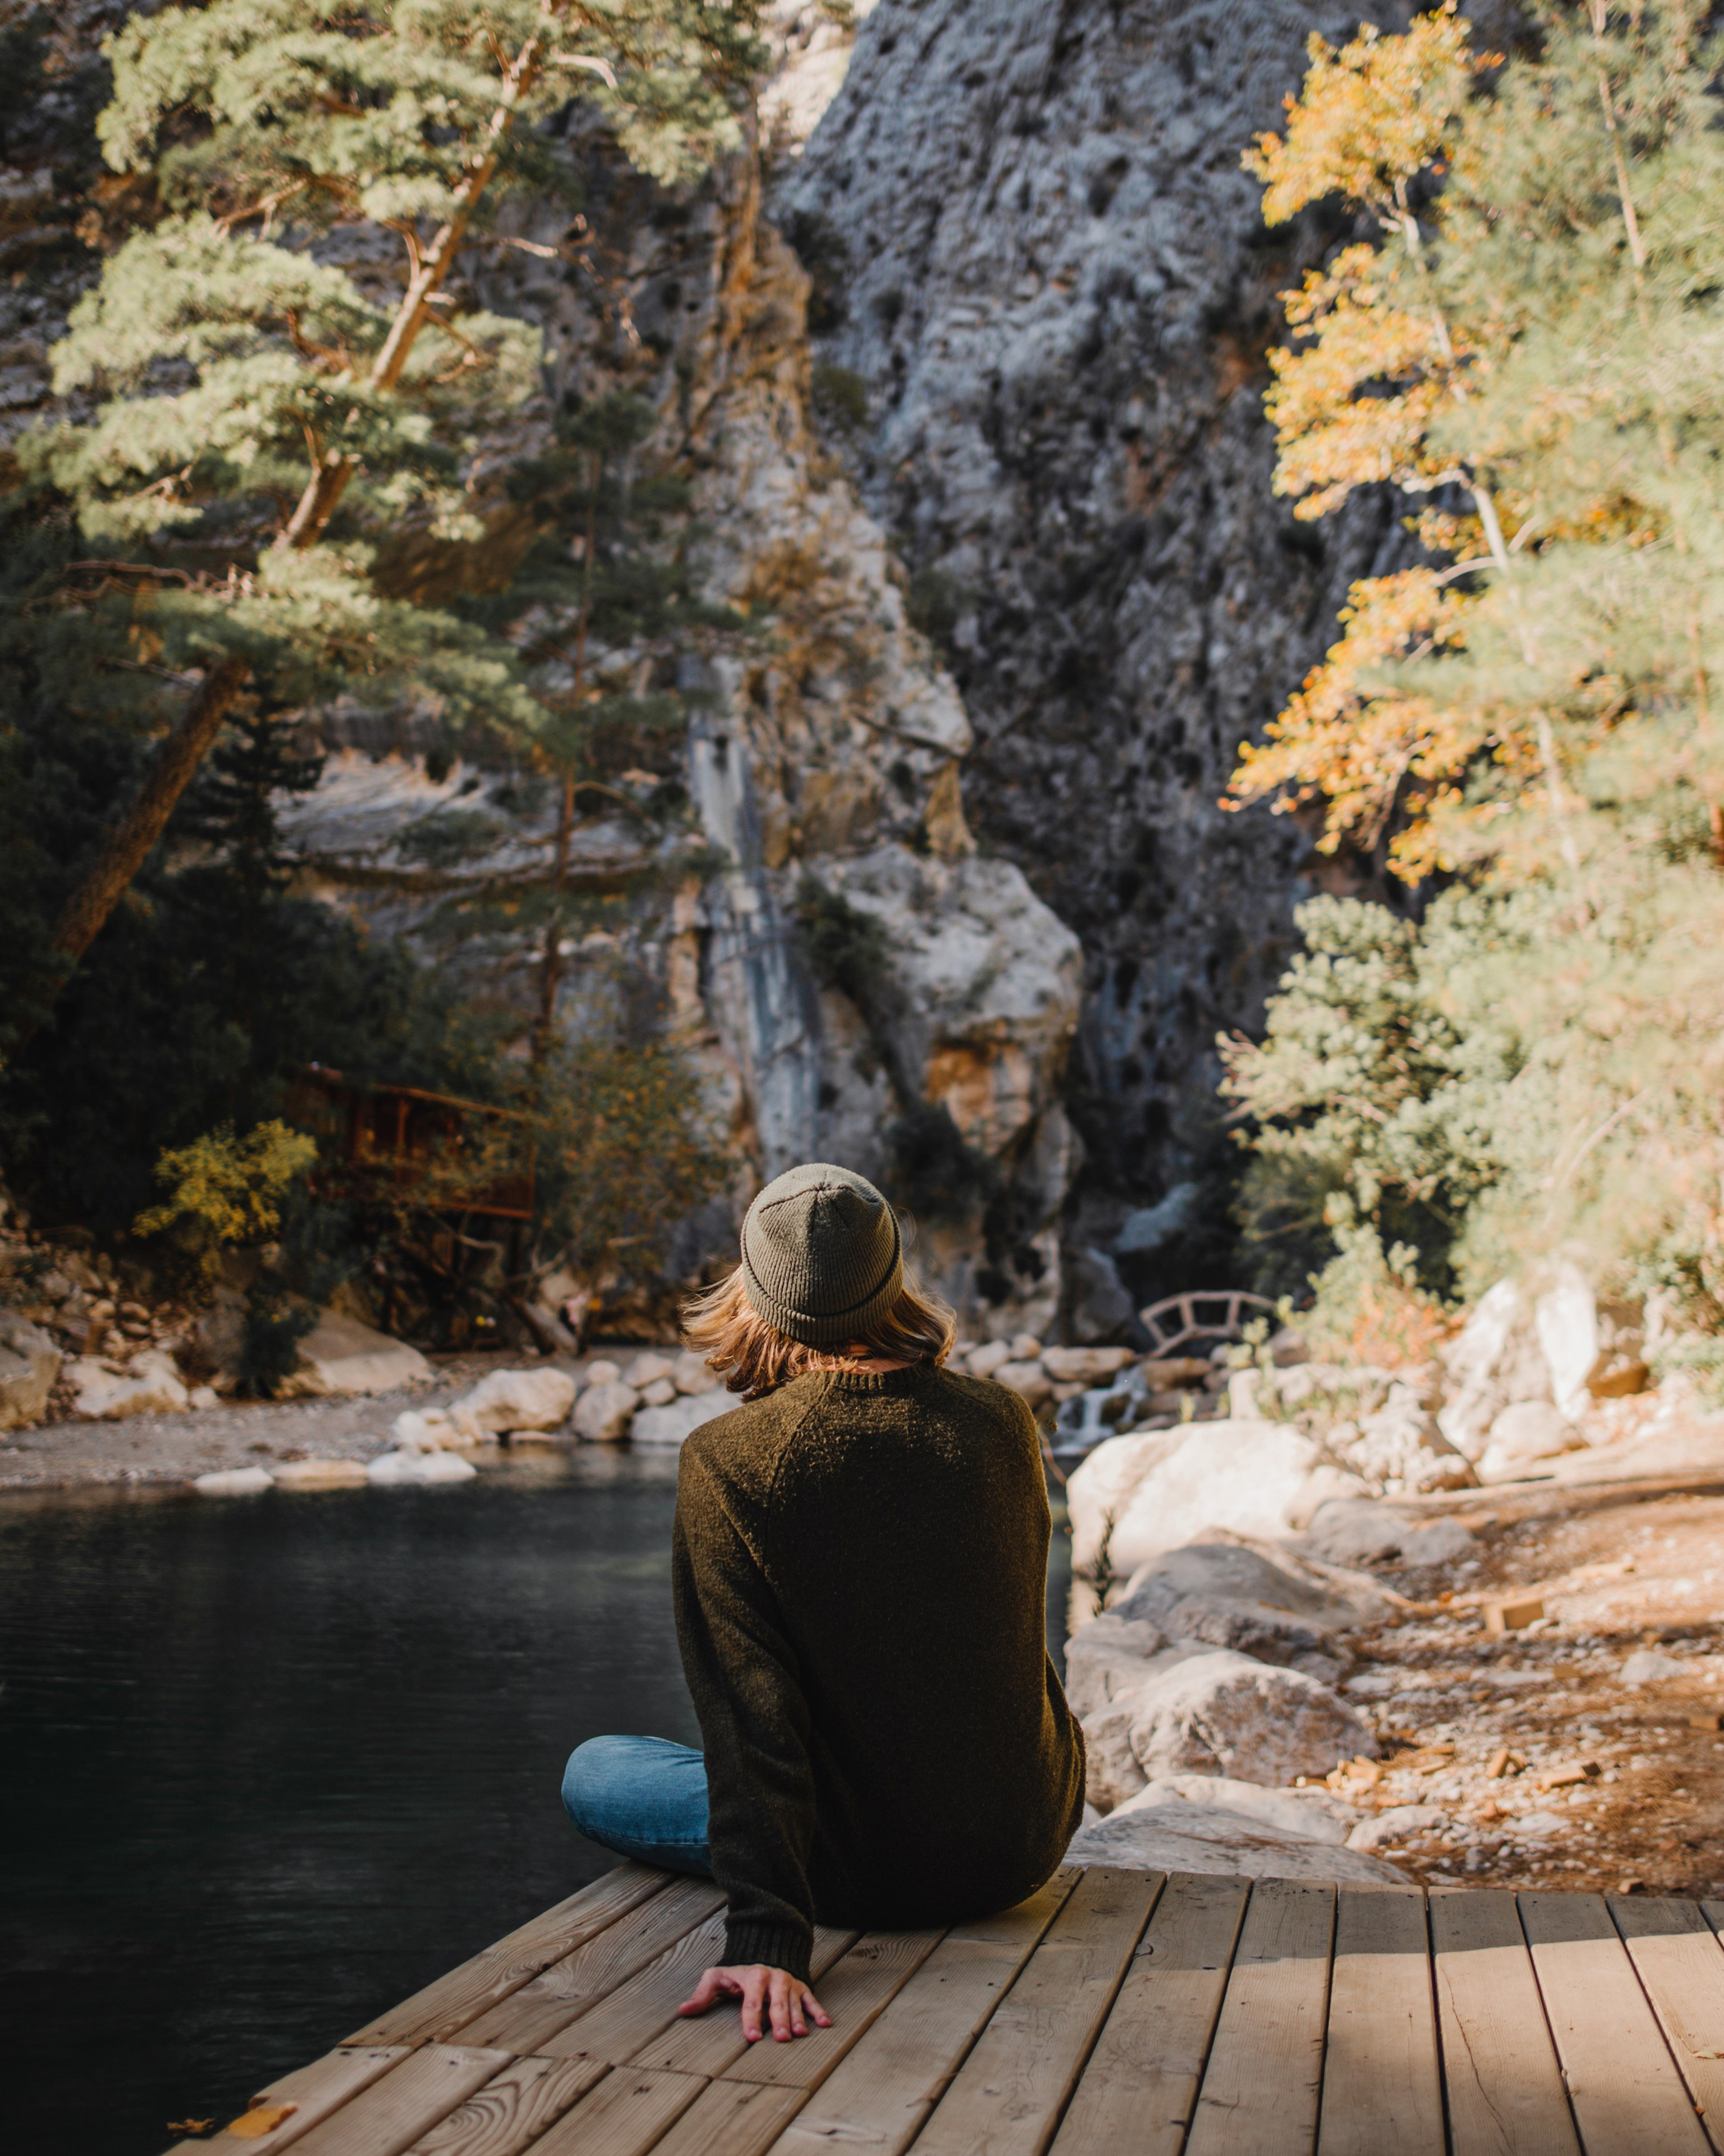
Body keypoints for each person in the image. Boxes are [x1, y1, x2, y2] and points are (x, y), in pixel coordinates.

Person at [560, 1162, 1085, 2046]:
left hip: (861, 1871)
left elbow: (749, 1714)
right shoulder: (1003, 1419)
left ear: (759, 1296)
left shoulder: (729, 1462)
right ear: (892, 1283)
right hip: (1025, 1841)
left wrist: (768, 1934)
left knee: (600, 1769)